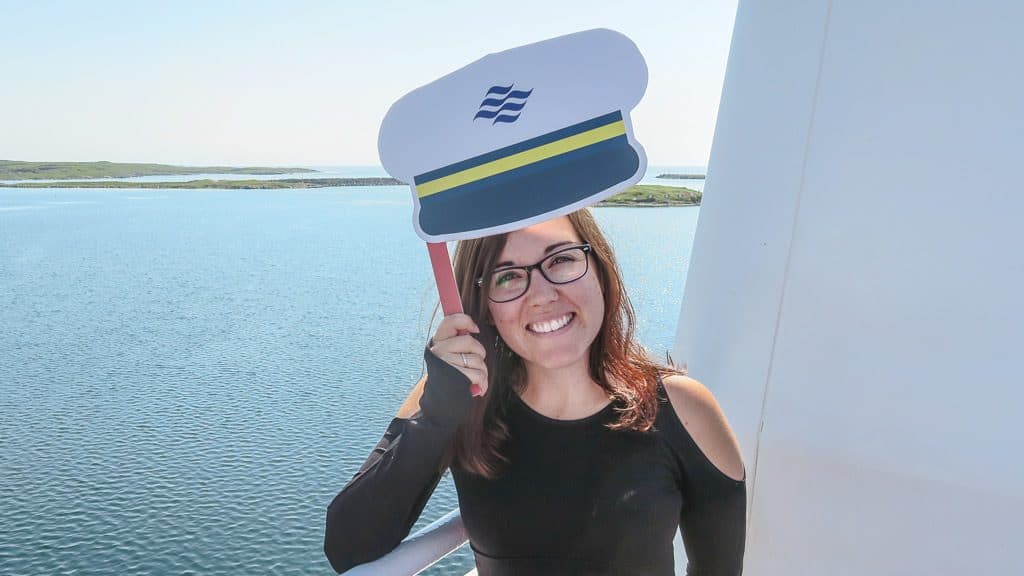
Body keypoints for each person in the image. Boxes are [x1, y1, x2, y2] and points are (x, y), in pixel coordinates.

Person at [324, 209, 747, 575]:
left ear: (599, 265)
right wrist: (436, 418)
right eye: (507, 277)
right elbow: (348, 548)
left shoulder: (683, 409)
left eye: (561, 260)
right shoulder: (457, 397)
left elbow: (719, 568)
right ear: (483, 302)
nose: (543, 296)